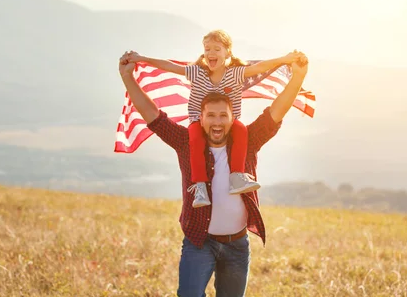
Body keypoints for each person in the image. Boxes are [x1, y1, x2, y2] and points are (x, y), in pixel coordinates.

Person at [118, 49, 309, 297]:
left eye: (223, 116)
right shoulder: (186, 142)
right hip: (200, 242)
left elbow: (276, 111)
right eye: (211, 116)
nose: (217, 122)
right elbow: (153, 115)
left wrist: (298, 76)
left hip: (237, 245)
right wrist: (127, 77)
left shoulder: (248, 141)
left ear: (232, 118)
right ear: (201, 117)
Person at [125, 30, 300, 208]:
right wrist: (143, 58)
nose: (211, 53)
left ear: (228, 53)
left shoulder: (235, 74)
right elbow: (170, 66)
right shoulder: (197, 72)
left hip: (231, 123)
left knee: (241, 132)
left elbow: (259, 68)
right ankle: (200, 186)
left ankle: (236, 177)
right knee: (195, 140)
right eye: (207, 49)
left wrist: (283, 59)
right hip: (197, 121)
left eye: (217, 49)